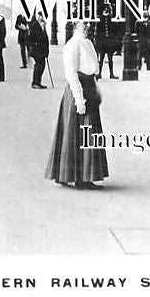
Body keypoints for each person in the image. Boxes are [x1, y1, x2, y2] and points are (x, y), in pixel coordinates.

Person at [45, 20, 108, 189]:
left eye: (89, 23)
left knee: (88, 132)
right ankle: (74, 176)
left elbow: (93, 70)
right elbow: (71, 73)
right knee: (76, 132)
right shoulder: (72, 45)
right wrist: (79, 99)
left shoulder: (88, 43)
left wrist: (96, 89)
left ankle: (86, 177)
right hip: (77, 90)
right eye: (83, 24)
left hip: (88, 86)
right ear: (75, 26)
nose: (88, 26)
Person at [95, 4, 120, 79]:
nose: (106, 11)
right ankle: (99, 73)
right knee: (101, 58)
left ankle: (111, 74)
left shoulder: (111, 19)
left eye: (107, 10)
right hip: (103, 42)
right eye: (105, 10)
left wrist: (113, 40)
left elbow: (114, 31)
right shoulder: (100, 19)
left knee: (110, 59)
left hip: (109, 42)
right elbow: (98, 31)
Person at [27, 11, 50, 89]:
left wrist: (46, 51)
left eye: (42, 16)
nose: (41, 17)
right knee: (39, 65)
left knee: (41, 65)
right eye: (39, 16)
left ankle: (37, 82)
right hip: (37, 49)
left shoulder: (43, 25)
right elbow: (31, 38)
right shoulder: (34, 25)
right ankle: (36, 82)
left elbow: (45, 39)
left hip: (42, 50)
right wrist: (34, 45)